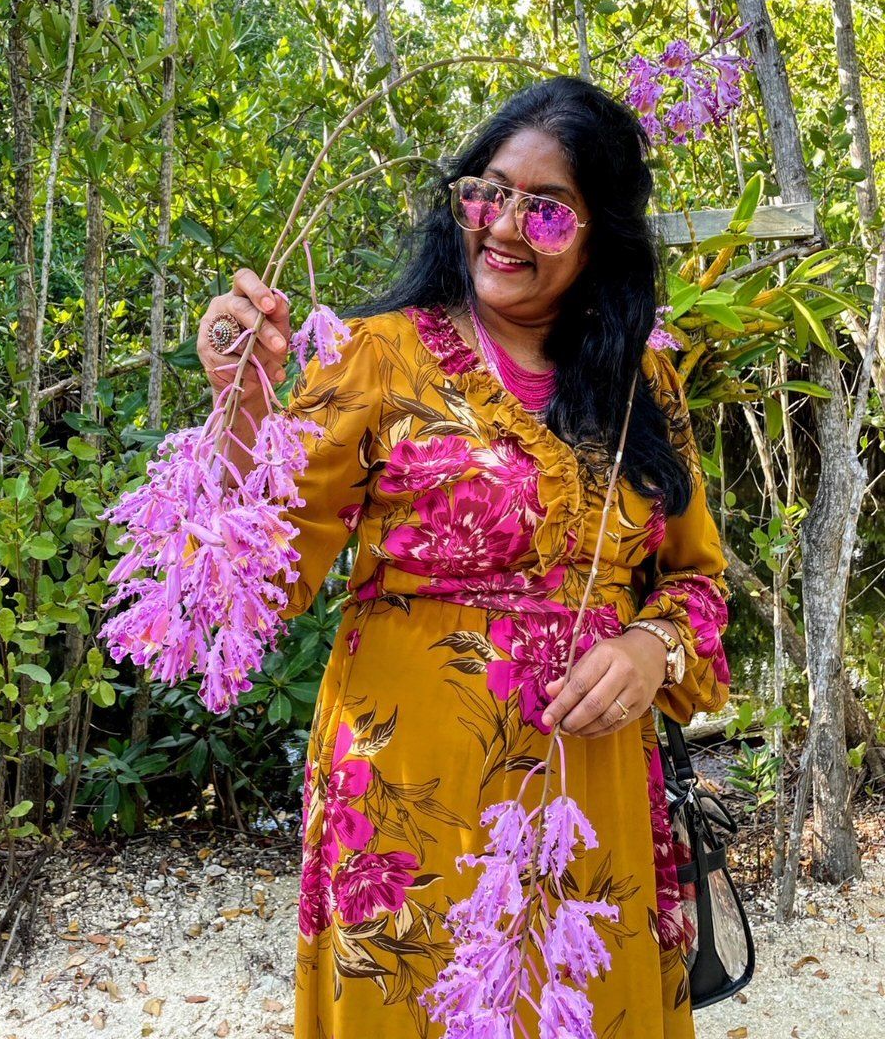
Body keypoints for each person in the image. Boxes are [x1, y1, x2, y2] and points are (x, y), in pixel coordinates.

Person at [196, 75, 731, 1039]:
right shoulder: (372, 358)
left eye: (547, 209)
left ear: (602, 234)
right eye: (487, 194)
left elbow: (698, 581)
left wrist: (653, 648)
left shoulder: (643, 383)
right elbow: (257, 578)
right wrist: (242, 407)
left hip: (589, 798)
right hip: (408, 807)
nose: (504, 227)